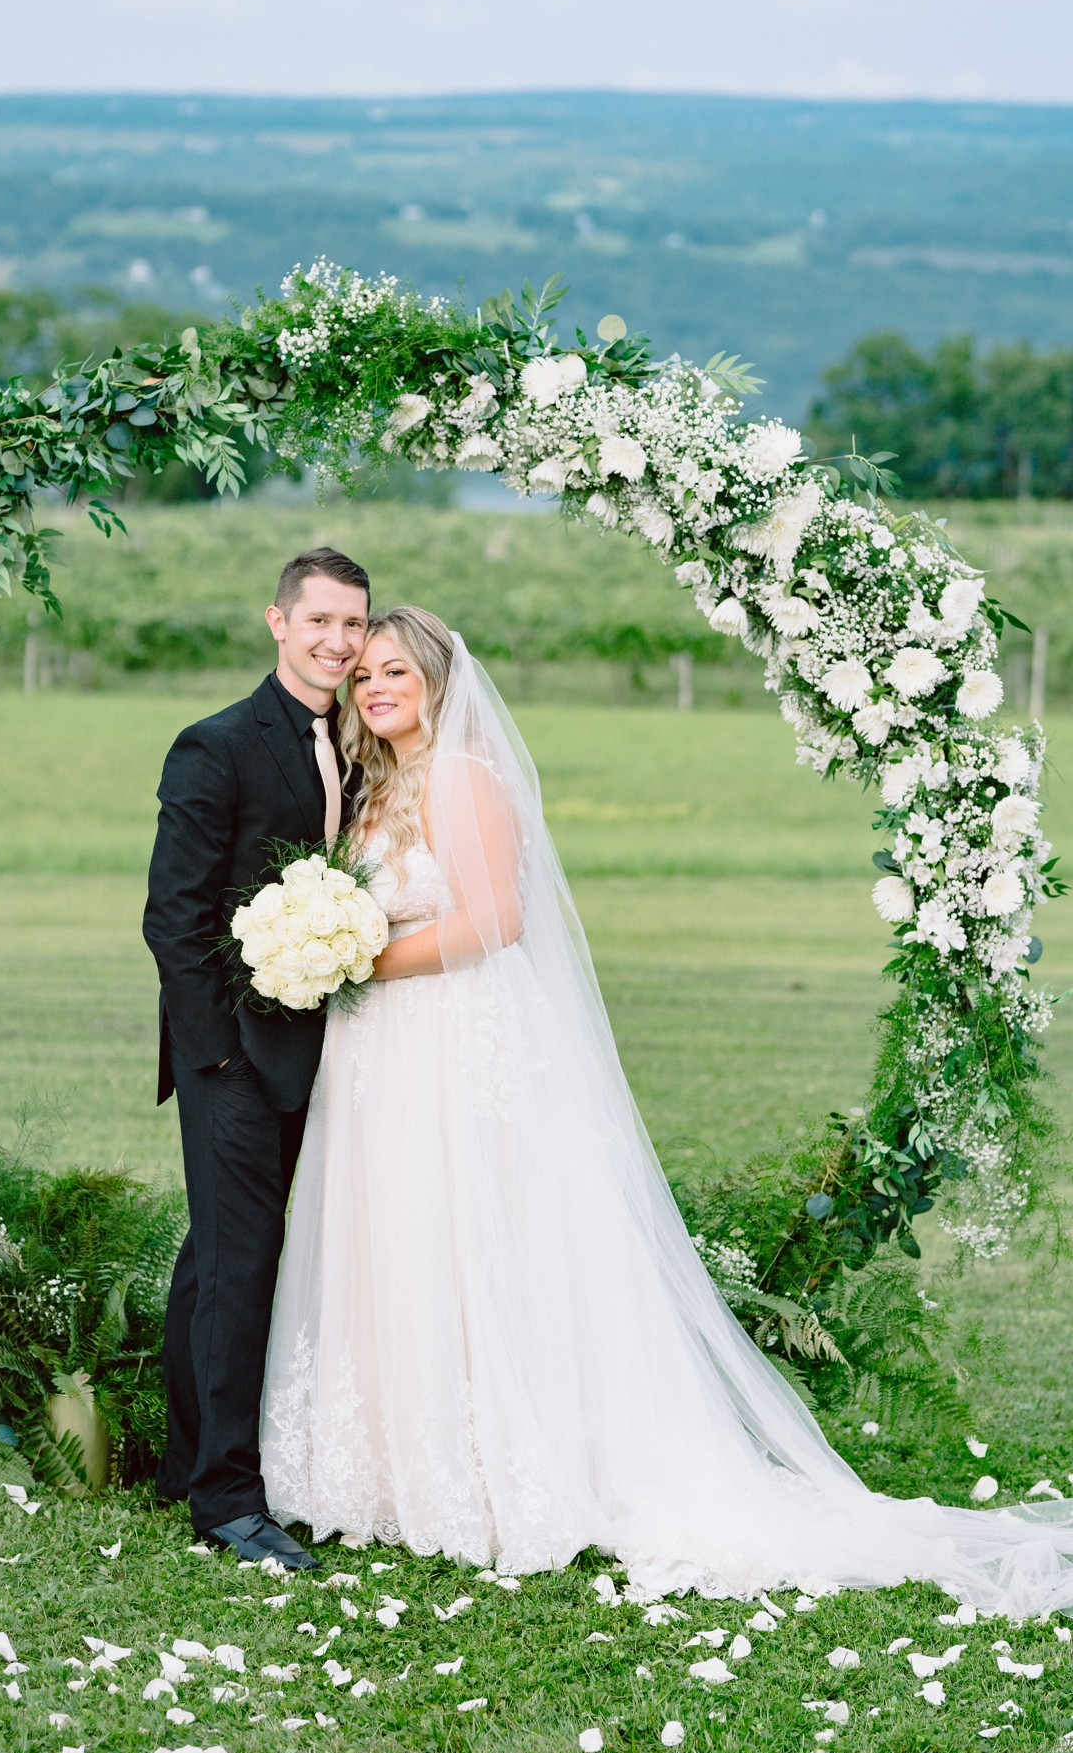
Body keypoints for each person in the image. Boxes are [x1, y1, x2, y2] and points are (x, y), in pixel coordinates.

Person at [261, 607, 1073, 1611]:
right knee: (397, 1237)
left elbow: (496, 920)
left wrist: (358, 957)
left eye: (394, 669)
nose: (375, 686)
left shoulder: (464, 776)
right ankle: (391, 1464)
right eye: (364, 676)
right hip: (381, 1050)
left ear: (433, 678)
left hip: (454, 1037)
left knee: (476, 1237)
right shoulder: (374, 786)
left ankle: (492, 1465)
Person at [144, 547, 369, 1569]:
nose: (336, 639)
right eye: (318, 619)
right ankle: (229, 1503)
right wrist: (218, 1059)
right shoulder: (216, 745)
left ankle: (184, 1456)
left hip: (317, 1045)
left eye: (352, 624)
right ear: (276, 621)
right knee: (241, 1261)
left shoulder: (355, 743)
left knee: (214, 1257)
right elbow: (173, 917)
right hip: (232, 1053)